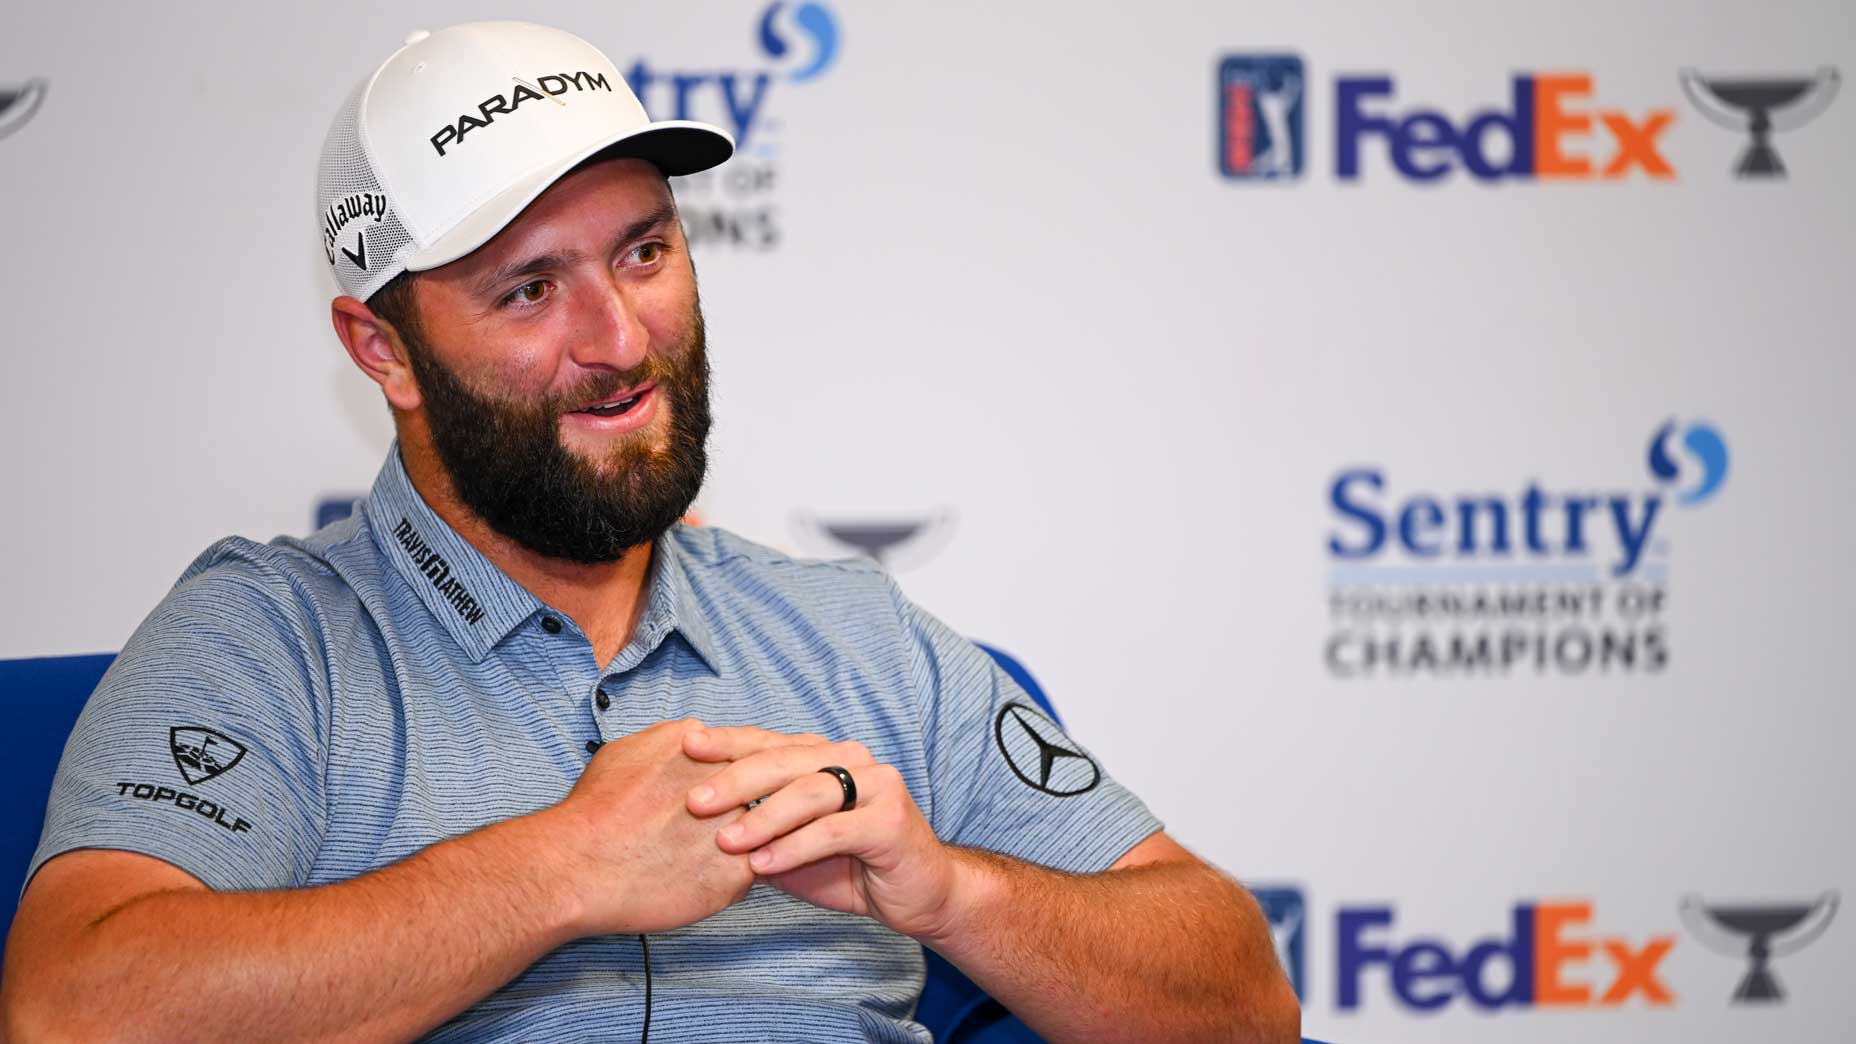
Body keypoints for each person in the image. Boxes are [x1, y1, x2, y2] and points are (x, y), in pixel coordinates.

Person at [0, 21, 1296, 1044]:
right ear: (381, 348)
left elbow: (1246, 1002)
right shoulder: (267, 635)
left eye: (643, 252)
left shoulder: (856, 637)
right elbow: (78, 1011)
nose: (622, 344)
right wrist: (560, 870)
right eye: (528, 289)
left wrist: (954, 893)